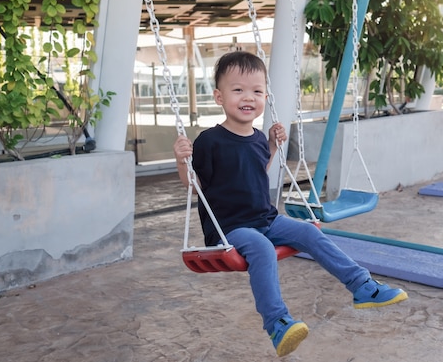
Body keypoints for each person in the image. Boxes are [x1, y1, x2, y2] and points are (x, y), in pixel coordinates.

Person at [173, 51, 407, 357]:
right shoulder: (209, 141)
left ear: (265, 97)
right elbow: (195, 186)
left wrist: (270, 145)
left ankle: (362, 286)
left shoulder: (257, 137)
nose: (248, 97)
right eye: (238, 90)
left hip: (266, 218)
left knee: (310, 233)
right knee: (261, 248)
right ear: (219, 96)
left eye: (256, 91)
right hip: (230, 229)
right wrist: (182, 160)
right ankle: (277, 322)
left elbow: (258, 169)